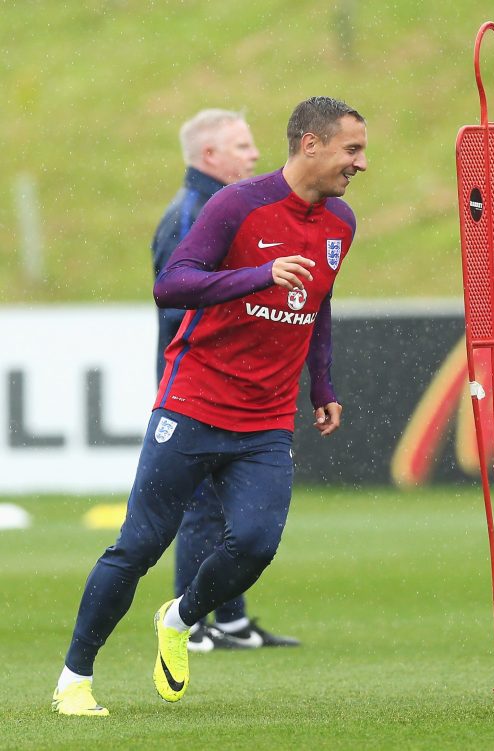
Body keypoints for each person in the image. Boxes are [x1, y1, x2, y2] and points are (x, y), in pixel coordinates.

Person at [52, 96, 368, 716]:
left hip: (267, 419)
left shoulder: (342, 224)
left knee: (254, 543)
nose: (362, 163)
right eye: (352, 149)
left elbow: (319, 301)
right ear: (311, 144)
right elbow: (170, 283)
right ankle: (74, 679)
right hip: (194, 402)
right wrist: (259, 274)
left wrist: (321, 386)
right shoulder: (236, 204)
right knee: (139, 545)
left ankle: (180, 617)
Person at [152, 108, 299, 652]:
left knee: (232, 508)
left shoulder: (221, 208)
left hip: (230, 383)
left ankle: (230, 621)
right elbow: (177, 303)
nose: (255, 155)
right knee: (202, 508)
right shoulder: (191, 213)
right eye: (242, 146)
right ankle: (192, 626)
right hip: (197, 384)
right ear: (209, 156)